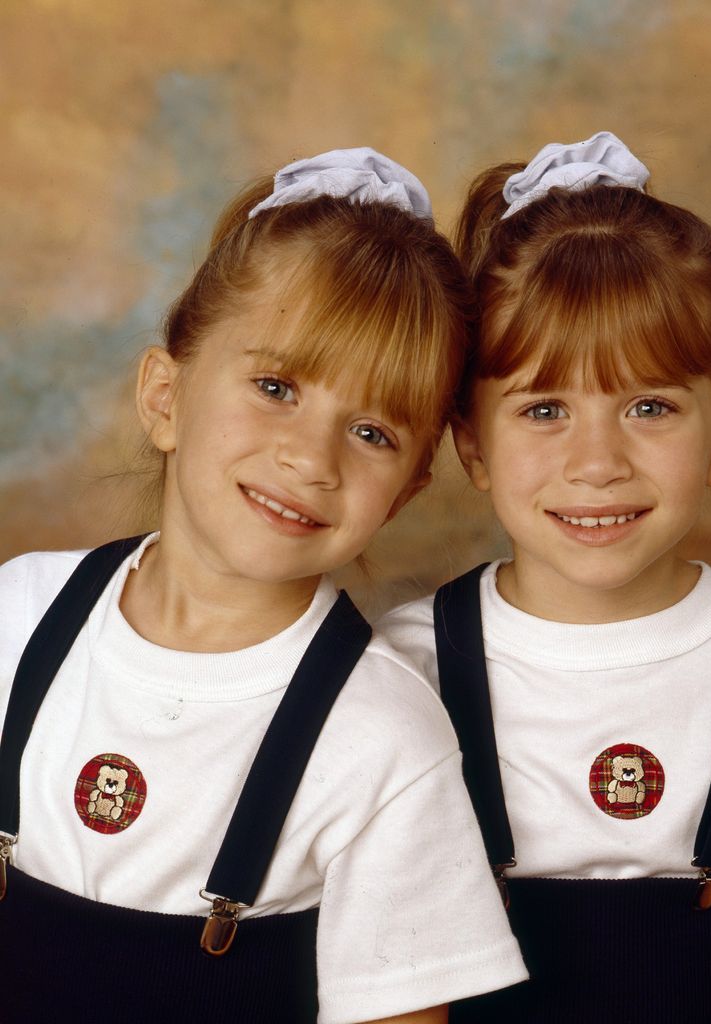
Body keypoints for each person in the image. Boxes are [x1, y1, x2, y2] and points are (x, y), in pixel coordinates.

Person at [0, 148, 528, 1024]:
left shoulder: (383, 738)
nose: (309, 459)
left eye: (371, 431)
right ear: (165, 397)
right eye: (276, 386)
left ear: (406, 492)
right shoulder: (19, 616)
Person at [379, 133, 711, 1024]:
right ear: (471, 442)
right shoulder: (402, 672)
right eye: (545, 410)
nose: (597, 464)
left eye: (650, 407)